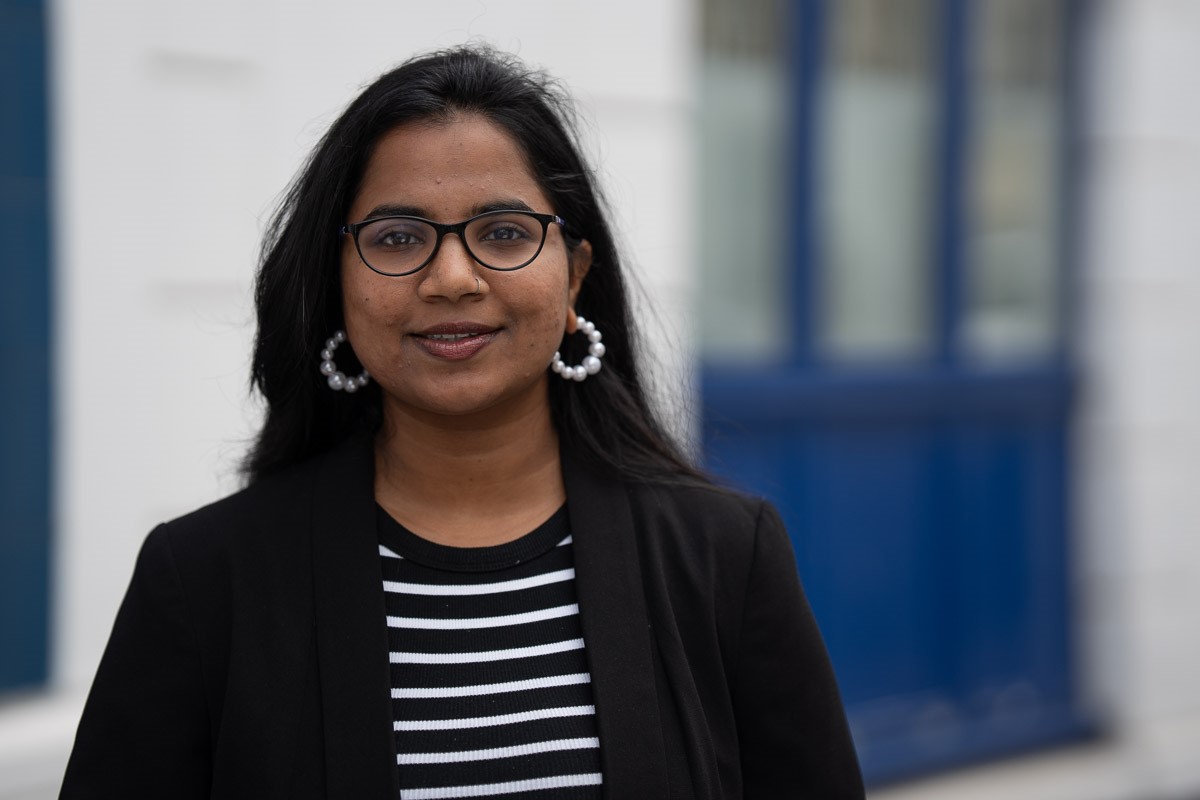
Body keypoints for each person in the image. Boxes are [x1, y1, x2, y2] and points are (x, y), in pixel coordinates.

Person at [60, 46, 863, 799]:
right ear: (337, 277)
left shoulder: (726, 555)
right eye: (398, 237)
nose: (452, 277)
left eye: (504, 233)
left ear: (576, 273)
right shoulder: (203, 580)